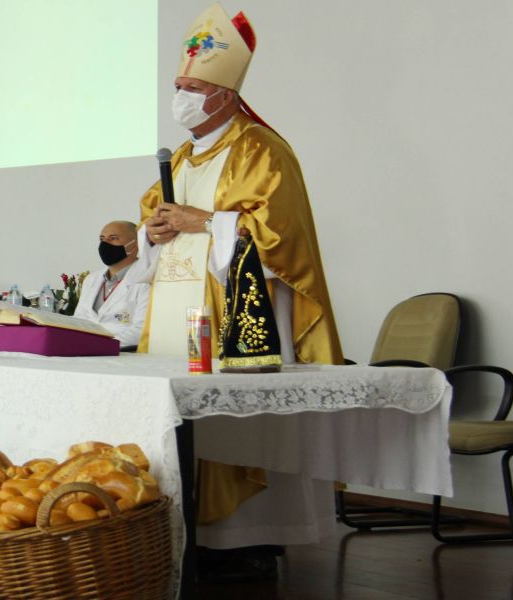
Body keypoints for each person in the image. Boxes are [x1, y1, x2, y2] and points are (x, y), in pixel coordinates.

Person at [133, 2, 344, 578]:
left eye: (192, 87)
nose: (181, 96)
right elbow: (158, 222)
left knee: (237, 429)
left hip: (240, 317)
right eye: (177, 85)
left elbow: (284, 240)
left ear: (225, 96)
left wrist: (206, 221)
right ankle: (186, 533)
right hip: (178, 314)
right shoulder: (179, 157)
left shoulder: (262, 150)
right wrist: (151, 233)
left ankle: (248, 541)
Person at [72, 220, 150, 347]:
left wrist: (100, 345)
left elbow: (142, 329)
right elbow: (78, 320)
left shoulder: (146, 279)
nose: (105, 244)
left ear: (135, 245)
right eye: (102, 239)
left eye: (113, 238)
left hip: (124, 354)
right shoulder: (91, 279)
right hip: (84, 352)